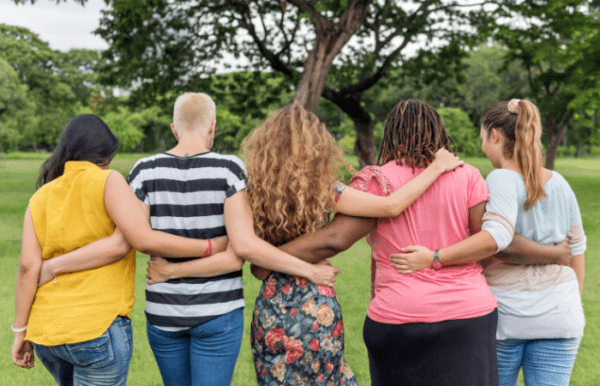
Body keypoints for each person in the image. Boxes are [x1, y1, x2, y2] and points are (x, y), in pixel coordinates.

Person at [239, 100, 572, 386]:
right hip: (468, 314)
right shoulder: (468, 175)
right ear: (440, 132)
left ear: (391, 134)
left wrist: (268, 260)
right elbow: (484, 244)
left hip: (398, 316)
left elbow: (333, 240)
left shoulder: (376, 179)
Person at [146, 103, 465, 385]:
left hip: (272, 309)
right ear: (315, 145)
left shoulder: (250, 191)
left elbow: (242, 250)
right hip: (316, 306)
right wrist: (436, 167)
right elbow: (390, 206)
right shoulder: (324, 190)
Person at [124, 94, 342, 386]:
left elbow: (142, 238)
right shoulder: (229, 170)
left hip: (164, 311)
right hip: (218, 312)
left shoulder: (143, 171)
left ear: (174, 129)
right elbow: (238, 252)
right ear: (212, 126)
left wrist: (172, 270)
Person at [10, 114, 238, 385]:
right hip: (96, 327)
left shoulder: (40, 197)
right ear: (105, 155)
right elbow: (138, 239)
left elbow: (27, 268)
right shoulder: (108, 181)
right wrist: (209, 246)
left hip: (47, 334)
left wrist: (20, 332)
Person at [393, 99, 586, 386]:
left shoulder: (502, 178)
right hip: (562, 316)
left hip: (510, 317)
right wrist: (569, 299)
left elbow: (498, 239)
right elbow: (576, 252)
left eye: (482, 137)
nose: (482, 143)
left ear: (494, 135)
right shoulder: (560, 183)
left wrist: (435, 256)